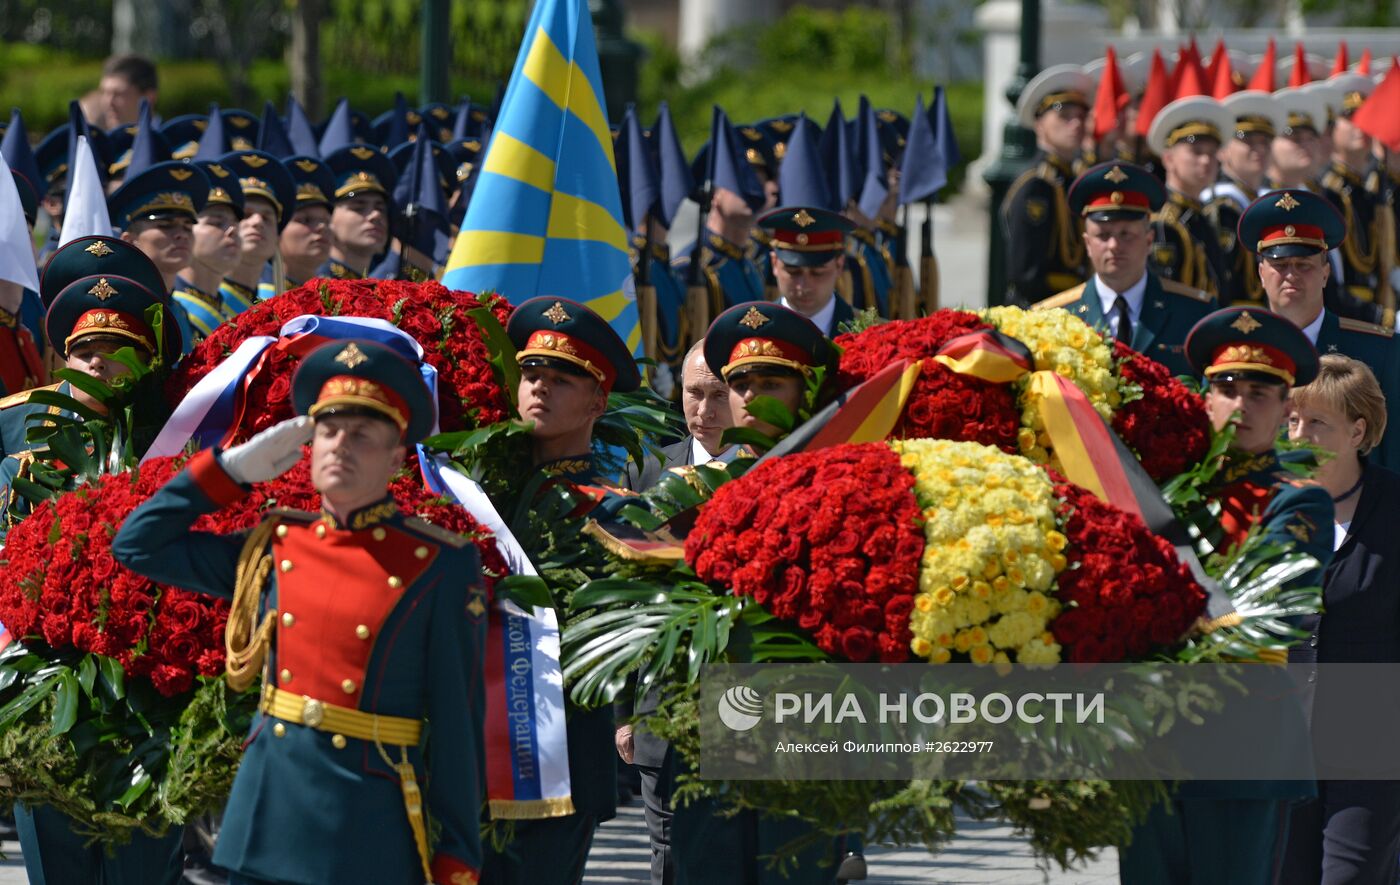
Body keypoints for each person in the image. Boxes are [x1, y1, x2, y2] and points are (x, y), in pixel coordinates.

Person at [112, 338, 486, 885]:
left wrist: (458, 852)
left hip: (363, 819)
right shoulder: (277, 544)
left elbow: (458, 723)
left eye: (362, 435)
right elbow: (137, 545)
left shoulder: (437, 564)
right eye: (328, 432)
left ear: (397, 456)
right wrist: (229, 470)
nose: (340, 446)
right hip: (266, 809)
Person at [1120, 305, 1333, 885]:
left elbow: (1270, 610)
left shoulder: (1297, 501)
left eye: (1259, 392)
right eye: (1226, 388)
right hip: (1151, 744)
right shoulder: (1162, 489)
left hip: (1244, 744)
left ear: (1288, 407)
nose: (1240, 404)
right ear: (1204, 397)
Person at [8, 236, 186, 884]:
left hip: (145, 708)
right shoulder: (16, 471)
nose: (99, 367)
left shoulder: (174, 464)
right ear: (60, 361)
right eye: (84, 352)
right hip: (42, 706)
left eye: (120, 354)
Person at [484, 296, 642, 885]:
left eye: (561, 379)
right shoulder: (475, 494)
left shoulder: (617, 518)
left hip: (560, 761)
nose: (539, 389)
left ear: (598, 401)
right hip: (468, 751)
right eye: (530, 374)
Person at [1278, 355, 1400, 884]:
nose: (1300, 434)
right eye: (1292, 421)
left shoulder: (1394, 508)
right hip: (1278, 746)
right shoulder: (1262, 505)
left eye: (1317, 423)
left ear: (1358, 431)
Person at [1239, 188, 1400, 469]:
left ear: (1325, 274)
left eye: (1304, 265)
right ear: (1261, 274)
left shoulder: (1379, 352)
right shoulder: (1236, 352)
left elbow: (1393, 453)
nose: (1291, 275)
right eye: (1280, 264)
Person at [1039, 161, 1215, 376]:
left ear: (1149, 240)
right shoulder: (1053, 317)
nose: (1114, 246)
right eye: (1103, 236)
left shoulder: (1194, 313)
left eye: (1126, 234)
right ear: (1087, 244)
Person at [1002, 64, 1092, 306]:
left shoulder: (1071, 180)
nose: (1076, 124)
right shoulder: (1036, 186)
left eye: (1081, 116)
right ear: (1039, 123)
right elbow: (1026, 274)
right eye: (1064, 116)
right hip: (1039, 312)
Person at [1146, 96, 1236, 301]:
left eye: (1212, 153)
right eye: (1196, 152)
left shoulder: (1201, 215)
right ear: (1168, 159)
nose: (1206, 160)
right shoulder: (1164, 221)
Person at [1316, 74, 1389, 317]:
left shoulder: (1366, 190)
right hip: (1345, 313)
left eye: (1365, 115)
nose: (1361, 125)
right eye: (1349, 117)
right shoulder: (1327, 190)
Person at [1204, 90, 1283, 306]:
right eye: (1247, 140)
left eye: (1265, 141)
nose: (1258, 149)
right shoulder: (1223, 206)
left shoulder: (1258, 201)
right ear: (1225, 150)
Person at [756, 206, 856, 337]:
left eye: (818, 272)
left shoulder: (870, 334)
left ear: (839, 265)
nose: (804, 286)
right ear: (774, 263)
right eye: (793, 272)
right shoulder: (756, 334)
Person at [173, 160, 244, 344]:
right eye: (216, 223)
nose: (232, 231)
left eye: (235, 223)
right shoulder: (172, 313)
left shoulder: (226, 313)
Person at [219, 150, 297, 305]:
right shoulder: (204, 307)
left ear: (278, 236)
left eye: (267, 218)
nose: (257, 222)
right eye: (246, 215)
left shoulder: (279, 303)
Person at [320, 145, 396, 280]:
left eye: (381, 208)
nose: (376, 215)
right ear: (328, 218)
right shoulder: (313, 289)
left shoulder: (384, 287)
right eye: (358, 208)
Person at [279, 156, 337, 290]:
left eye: (327, 221)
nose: (322, 227)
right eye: (306, 220)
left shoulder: (336, 301)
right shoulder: (259, 299)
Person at [98, 54, 158, 129]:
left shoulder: (170, 139)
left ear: (149, 97)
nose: (108, 102)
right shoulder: (98, 139)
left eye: (118, 94)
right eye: (105, 93)